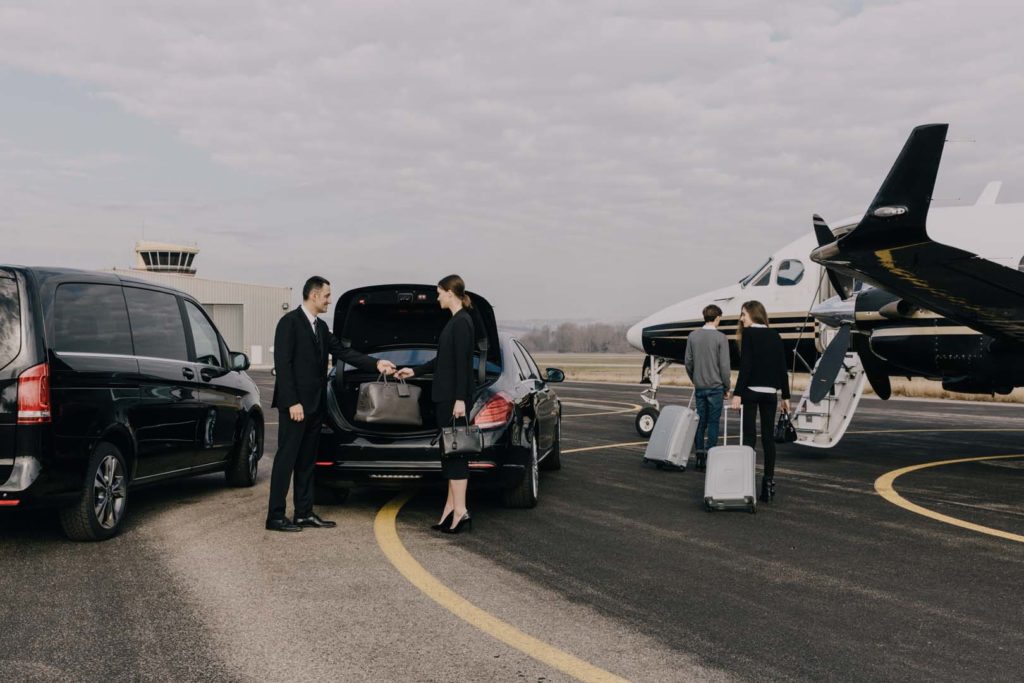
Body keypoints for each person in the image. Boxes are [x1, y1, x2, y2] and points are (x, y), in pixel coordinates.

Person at [267, 276, 396, 532]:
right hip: (295, 407)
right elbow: (283, 365)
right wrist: (292, 401)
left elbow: (343, 353)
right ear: (314, 295)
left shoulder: (321, 328)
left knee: (306, 462)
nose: (329, 300)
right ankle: (275, 517)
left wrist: (376, 364)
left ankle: (304, 513)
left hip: (316, 407)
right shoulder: (289, 323)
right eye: (327, 295)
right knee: (286, 461)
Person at [395, 275, 476, 534]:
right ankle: (450, 508)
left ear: (450, 293)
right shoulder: (455, 321)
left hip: (454, 400)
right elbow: (442, 362)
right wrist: (413, 371)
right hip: (447, 398)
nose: (437, 297)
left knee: (456, 455)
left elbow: (464, 365)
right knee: (448, 454)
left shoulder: (462, 322)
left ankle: (461, 511)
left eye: (439, 293)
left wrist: (461, 399)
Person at [729, 300, 790, 503]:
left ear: (753, 315)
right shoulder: (775, 335)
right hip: (770, 394)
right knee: (768, 439)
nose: (741, 318)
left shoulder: (749, 335)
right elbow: (782, 367)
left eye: (743, 314)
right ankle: (769, 485)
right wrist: (786, 396)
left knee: (749, 439)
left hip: (752, 392)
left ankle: (747, 485)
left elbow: (746, 366)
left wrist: (737, 393)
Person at [684, 304, 731, 470]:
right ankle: (711, 456)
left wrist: (694, 379)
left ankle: (699, 455)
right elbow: (724, 366)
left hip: (700, 386)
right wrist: (727, 387)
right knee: (713, 423)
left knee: (700, 422)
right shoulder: (721, 338)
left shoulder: (693, 336)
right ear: (717, 318)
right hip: (716, 387)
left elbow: (688, 362)